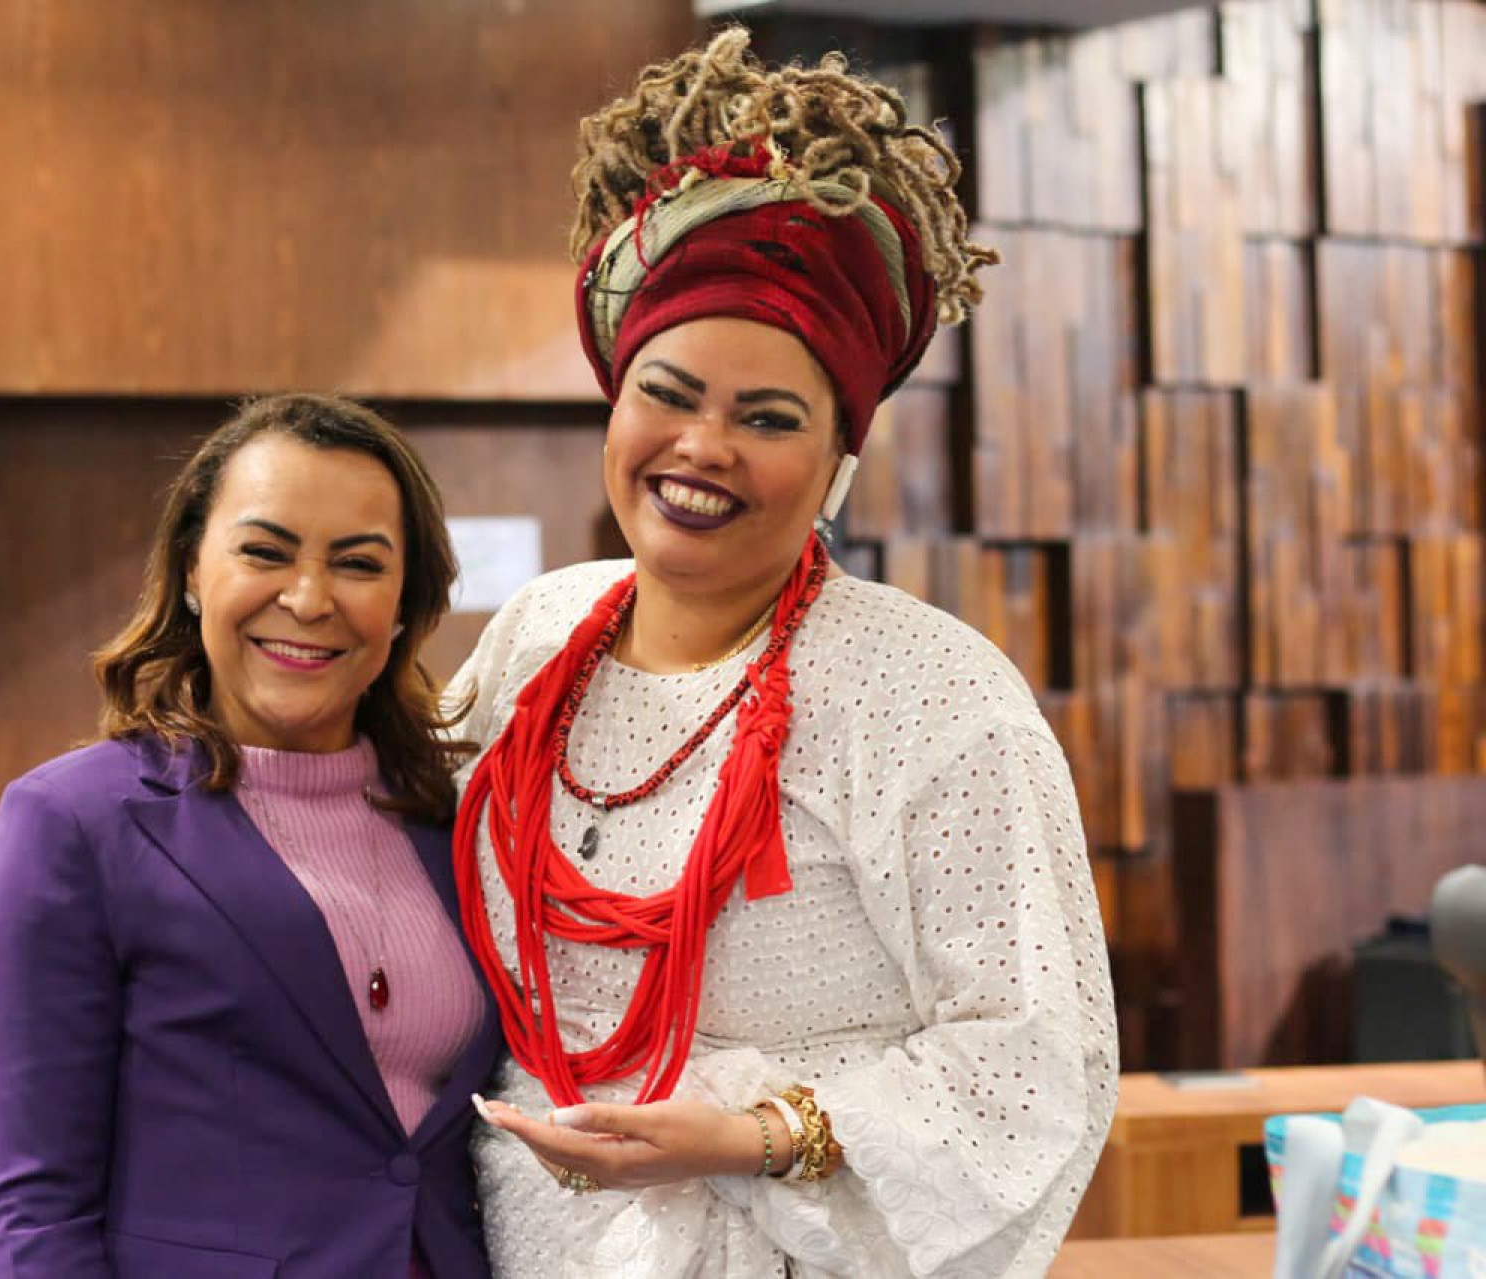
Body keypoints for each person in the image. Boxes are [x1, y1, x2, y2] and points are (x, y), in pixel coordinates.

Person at [450, 30, 1117, 1278]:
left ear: (835, 466)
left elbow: (1037, 1060)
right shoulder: (534, 637)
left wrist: (757, 1135)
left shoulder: (929, 693)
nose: (703, 446)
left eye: (768, 418)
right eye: (671, 391)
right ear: (614, 396)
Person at [0, 394, 501, 1279]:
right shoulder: (72, 826)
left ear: (407, 601)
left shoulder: (455, 818)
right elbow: (31, 1213)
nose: (309, 597)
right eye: (265, 551)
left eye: (359, 563)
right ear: (190, 570)